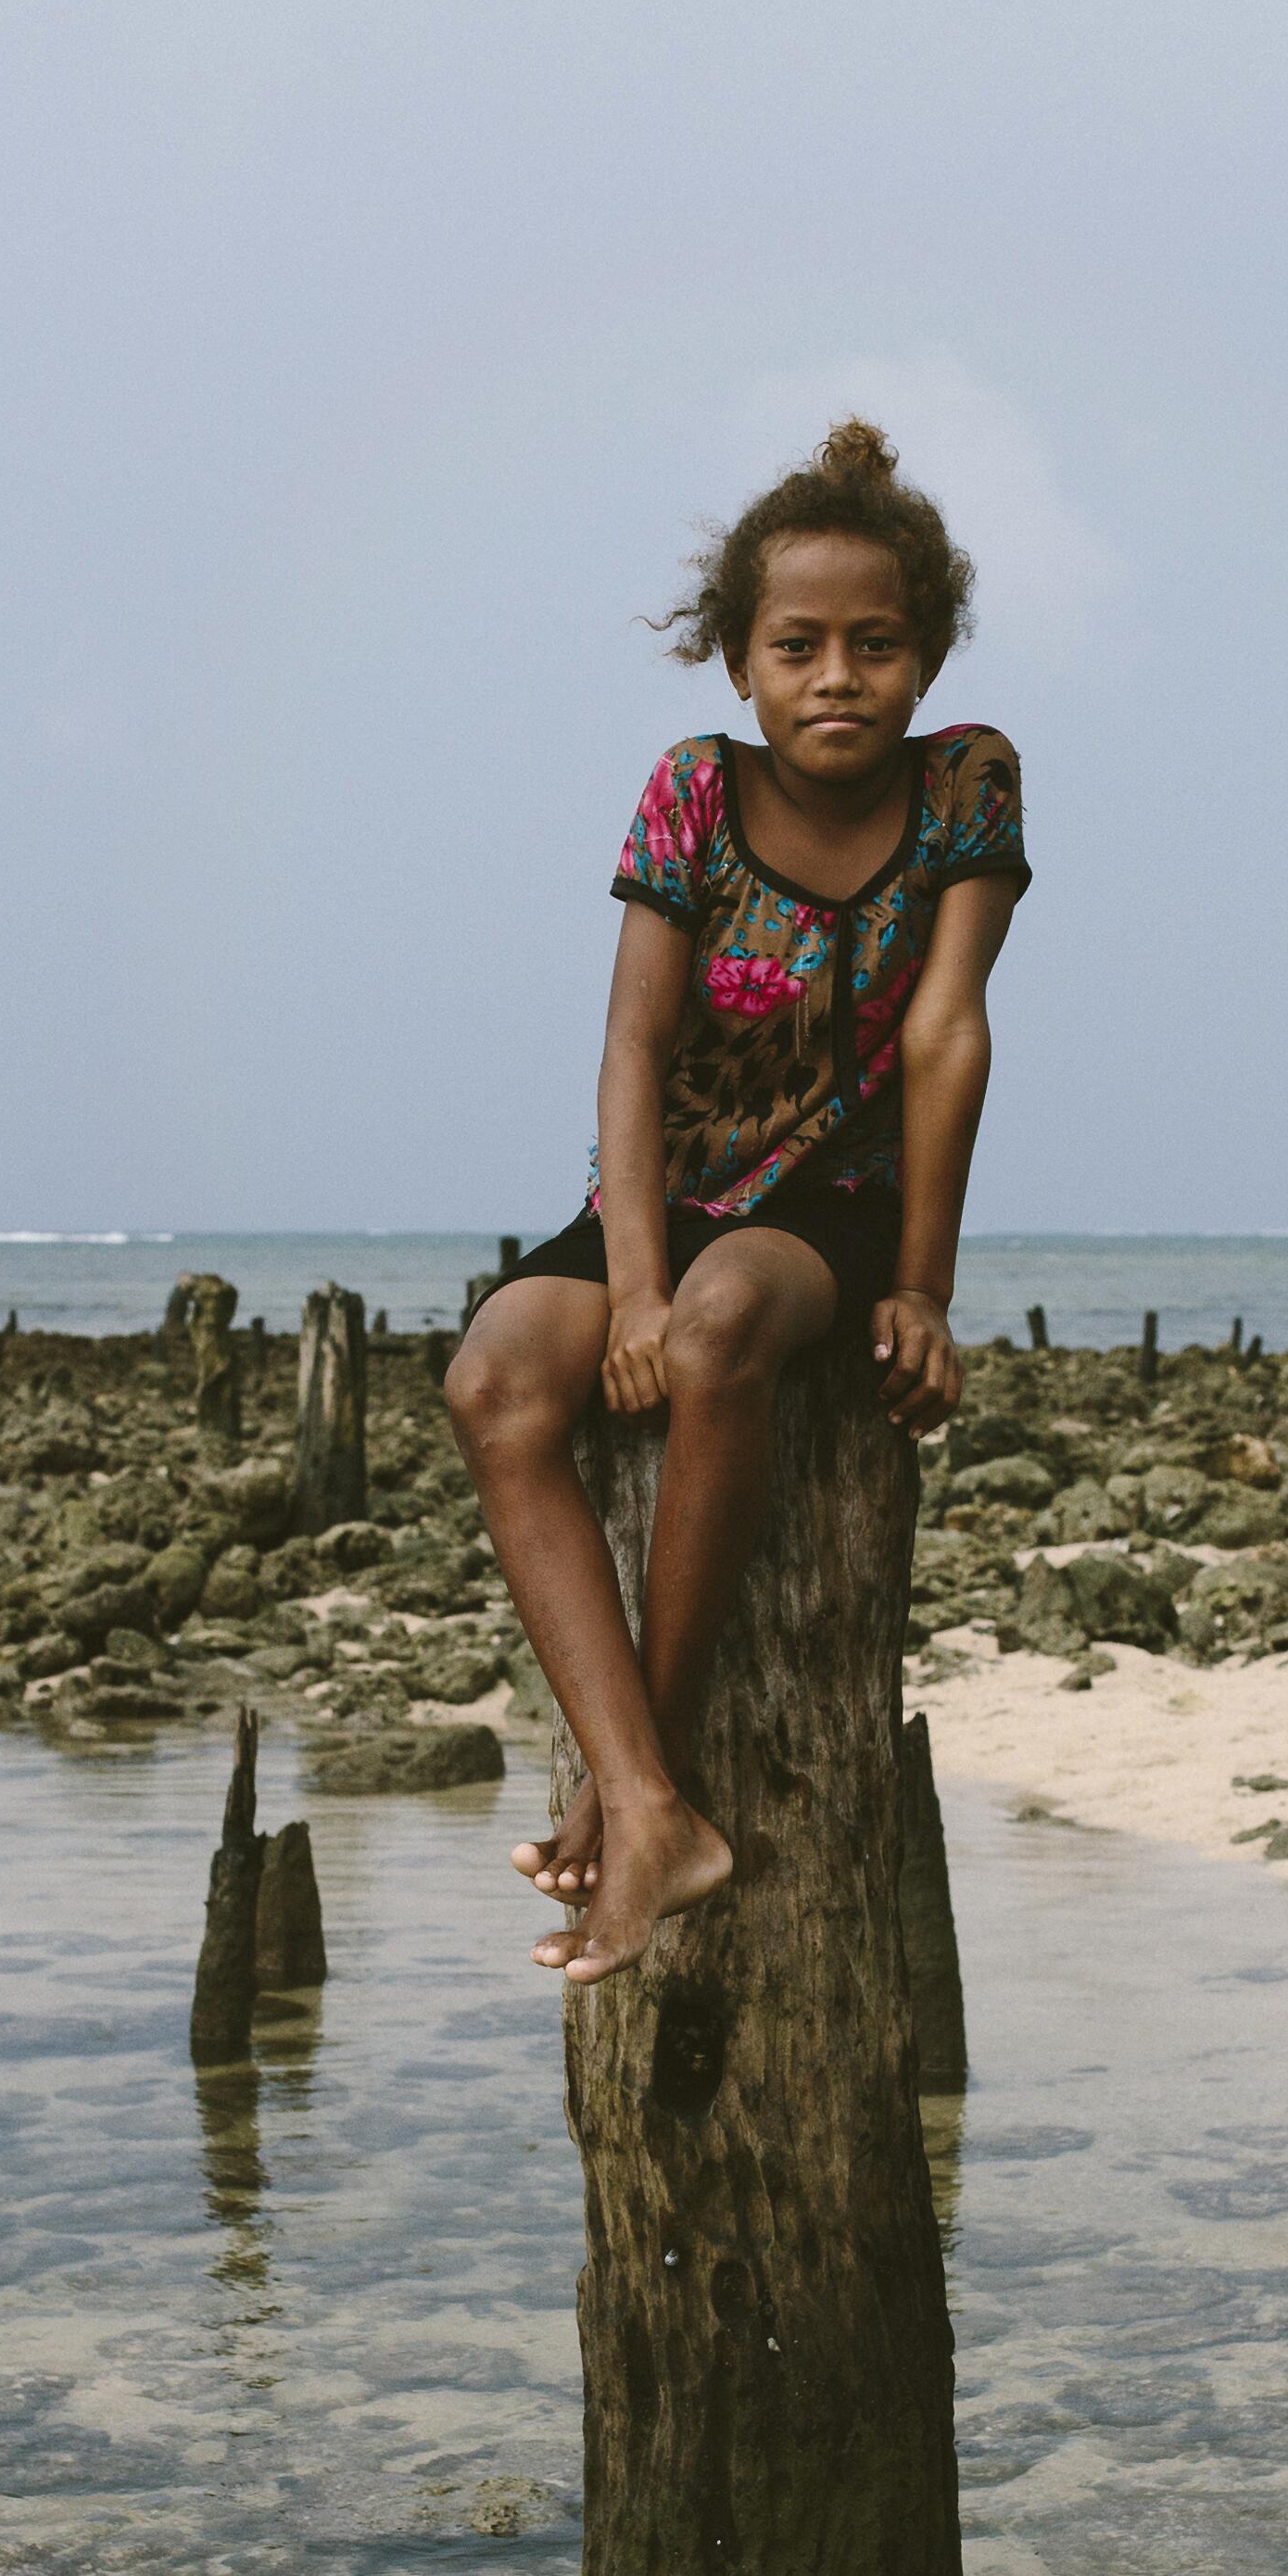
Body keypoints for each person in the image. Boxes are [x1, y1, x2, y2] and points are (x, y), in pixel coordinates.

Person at [445, 420, 1028, 1981]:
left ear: (927, 656)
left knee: (716, 1338)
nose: (837, 676)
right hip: (670, 1187)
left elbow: (946, 1031)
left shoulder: (968, 782)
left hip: (833, 1200)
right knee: (496, 1379)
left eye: (875, 644)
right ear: (736, 665)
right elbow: (632, 1049)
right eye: (797, 646)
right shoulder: (692, 796)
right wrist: (625, 1282)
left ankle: (650, 1781)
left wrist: (922, 1288)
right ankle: (647, 1801)